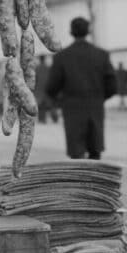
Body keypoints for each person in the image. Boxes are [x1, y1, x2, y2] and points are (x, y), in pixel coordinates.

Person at [46, 17, 117, 159]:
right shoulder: (102, 55)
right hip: (95, 108)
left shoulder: (62, 57)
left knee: (76, 156)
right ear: (88, 31)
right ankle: (94, 180)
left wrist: (59, 100)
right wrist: (100, 97)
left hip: (72, 110)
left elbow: (51, 87)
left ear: (71, 32)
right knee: (95, 152)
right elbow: (112, 85)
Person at [35, 54, 58, 124]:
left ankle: (42, 119)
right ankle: (55, 118)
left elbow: (35, 80)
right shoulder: (48, 68)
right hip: (47, 88)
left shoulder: (37, 69)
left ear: (40, 59)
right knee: (50, 105)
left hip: (39, 90)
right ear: (44, 59)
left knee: (41, 105)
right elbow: (52, 78)